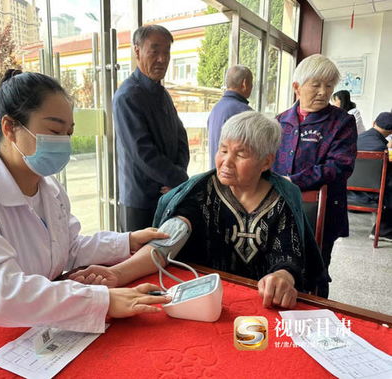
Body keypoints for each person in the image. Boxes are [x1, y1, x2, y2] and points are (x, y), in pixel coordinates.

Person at [0, 70, 172, 333]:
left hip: (32, 320)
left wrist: (126, 241)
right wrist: (102, 300)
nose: (64, 143)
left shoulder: (48, 187)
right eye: (55, 130)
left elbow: (67, 247)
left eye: (68, 133)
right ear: (10, 128)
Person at [149, 111, 328, 308]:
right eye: (223, 150)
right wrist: (118, 273)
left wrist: (282, 277)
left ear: (266, 162)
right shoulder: (202, 191)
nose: (226, 162)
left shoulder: (282, 198)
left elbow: (288, 254)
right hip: (204, 299)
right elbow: (167, 240)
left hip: (261, 302)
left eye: (240, 154)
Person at [272, 54, 357, 298]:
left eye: (329, 85)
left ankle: (317, 315)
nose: (323, 91)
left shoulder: (342, 122)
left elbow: (340, 166)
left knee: (315, 268)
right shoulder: (281, 121)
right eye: (316, 84)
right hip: (279, 209)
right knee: (280, 262)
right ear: (297, 87)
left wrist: (293, 182)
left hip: (323, 209)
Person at [113, 25, 189, 232]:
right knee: (139, 259)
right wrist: (178, 179)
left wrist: (179, 176)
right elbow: (143, 153)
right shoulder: (127, 96)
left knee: (166, 255)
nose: (162, 59)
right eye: (154, 51)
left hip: (169, 192)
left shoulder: (163, 94)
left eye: (166, 52)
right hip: (141, 201)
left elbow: (181, 136)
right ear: (137, 51)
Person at [347, 112, 392, 242]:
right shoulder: (381, 148)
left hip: (346, 192)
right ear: (390, 132)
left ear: (373, 123)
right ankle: (384, 230)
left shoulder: (355, 139)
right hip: (369, 195)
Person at [207, 65, 253, 168]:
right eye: (251, 83)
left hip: (216, 175)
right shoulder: (246, 113)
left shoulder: (215, 109)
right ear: (244, 84)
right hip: (234, 178)